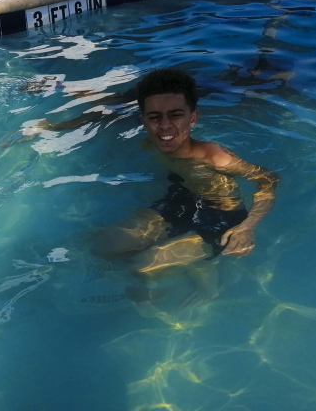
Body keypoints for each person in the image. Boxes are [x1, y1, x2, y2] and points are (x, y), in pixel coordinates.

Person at [91, 68, 279, 305]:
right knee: (102, 246)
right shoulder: (150, 144)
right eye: (155, 117)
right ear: (144, 121)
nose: (165, 126)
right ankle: (190, 258)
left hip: (221, 218)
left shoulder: (214, 157)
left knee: (140, 267)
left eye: (176, 115)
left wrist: (247, 227)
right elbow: (110, 110)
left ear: (193, 118)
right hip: (180, 200)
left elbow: (268, 179)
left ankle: (206, 271)